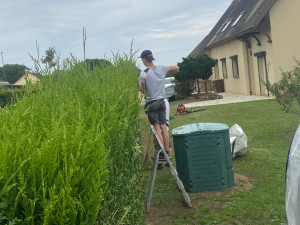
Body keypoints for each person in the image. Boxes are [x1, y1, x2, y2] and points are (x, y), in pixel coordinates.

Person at [139, 50, 179, 160]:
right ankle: (167, 151)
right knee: (164, 128)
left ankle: (162, 153)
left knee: (157, 129)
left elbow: (143, 90)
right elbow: (176, 67)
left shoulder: (144, 73)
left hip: (152, 103)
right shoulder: (161, 69)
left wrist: (140, 84)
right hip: (162, 101)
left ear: (143, 59)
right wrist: (166, 73)